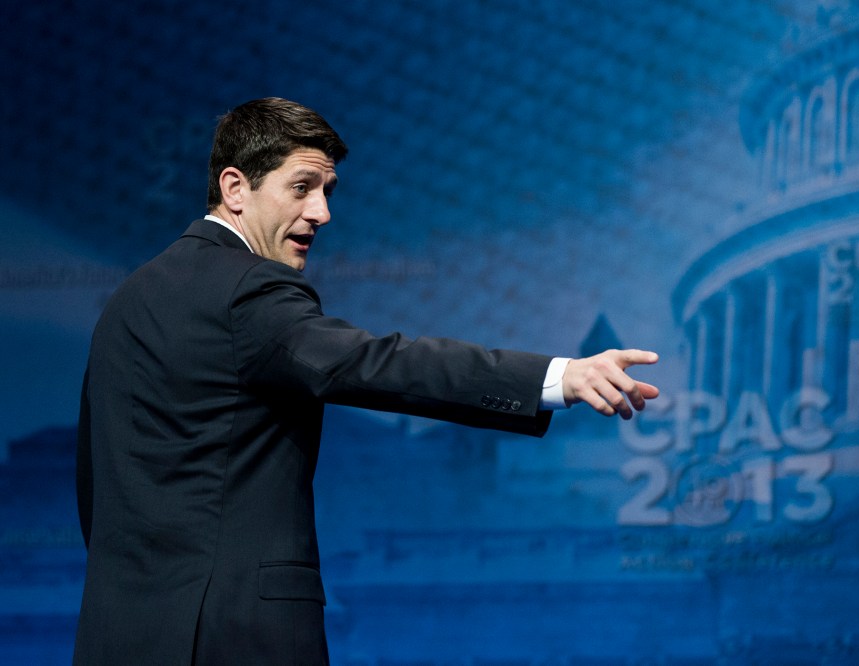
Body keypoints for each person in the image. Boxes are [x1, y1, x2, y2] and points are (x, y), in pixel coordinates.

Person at [74, 97, 659, 665]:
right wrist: (558, 376)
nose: (321, 213)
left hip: (117, 634)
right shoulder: (251, 289)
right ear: (234, 189)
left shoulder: (126, 303)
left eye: (328, 191)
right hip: (237, 636)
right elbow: (374, 363)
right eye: (301, 187)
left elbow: (97, 484)